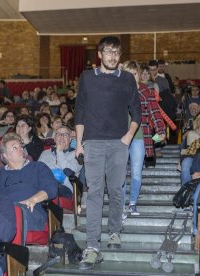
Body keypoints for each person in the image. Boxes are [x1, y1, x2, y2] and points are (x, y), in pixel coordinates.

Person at [75, 36, 141, 270]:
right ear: (100, 54)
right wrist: (79, 143)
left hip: (118, 143)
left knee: (115, 189)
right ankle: (92, 246)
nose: (113, 56)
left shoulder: (127, 79)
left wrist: (127, 137)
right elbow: (80, 110)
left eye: (117, 52)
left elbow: (137, 112)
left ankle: (114, 231)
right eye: (109, 51)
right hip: (92, 142)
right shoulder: (86, 78)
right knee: (94, 193)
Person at [120, 61, 165, 216]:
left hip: (140, 134)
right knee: (119, 172)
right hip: (119, 135)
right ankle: (119, 206)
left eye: (134, 73)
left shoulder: (146, 90)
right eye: (128, 73)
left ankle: (132, 203)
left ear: (138, 74)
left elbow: (154, 111)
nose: (131, 77)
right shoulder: (117, 90)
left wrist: (160, 129)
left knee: (136, 172)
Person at [0, 132, 57, 232]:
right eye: (15, 147)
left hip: (31, 213)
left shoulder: (38, 167)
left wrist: (32, 200)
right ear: (5, 155)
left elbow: (51, 188)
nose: (21, 149)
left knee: (15, 214)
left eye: (21, 146)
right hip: (7, 213)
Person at [39, 125, 82, 198]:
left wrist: (59, 151)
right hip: (44, 184)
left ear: (70, 139)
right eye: (58, 134)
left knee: (51, 189)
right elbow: (37, 170)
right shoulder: (45, 153)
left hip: (64, 187)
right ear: (55, 138)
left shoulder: (77, 154)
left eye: (65, 135)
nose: (62, 136)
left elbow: (69, 170)